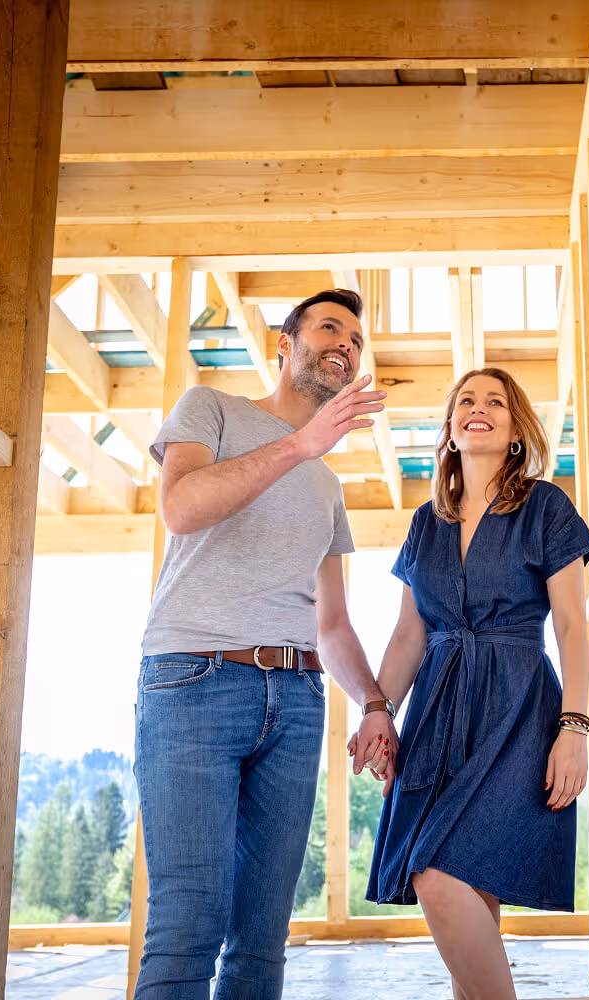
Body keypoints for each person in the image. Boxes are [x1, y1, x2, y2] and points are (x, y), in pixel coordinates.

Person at [134, 289, 399, 1000]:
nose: (346, 342)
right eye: (329, 327)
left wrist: (374, 703)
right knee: (187, 923)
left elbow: (334, 623)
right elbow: (182, 509)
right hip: (193, 680)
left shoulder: (327, 485)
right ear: (286, 344)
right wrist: (300, 444)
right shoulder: (211, 409)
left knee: (261, 937)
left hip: (297, 700)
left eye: (356, 338)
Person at [349, 367, 589, 1000]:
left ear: (516, 431)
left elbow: (571, 625)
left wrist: (575, 728)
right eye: (466, 401)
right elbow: (409, 635)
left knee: (435, 872)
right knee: (466, 885)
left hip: (519, 711)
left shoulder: (545, 506)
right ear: (451, 428)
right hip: (435, 712)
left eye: (496, 402)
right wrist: (378, 709)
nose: (478, 408)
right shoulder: (426, 523)